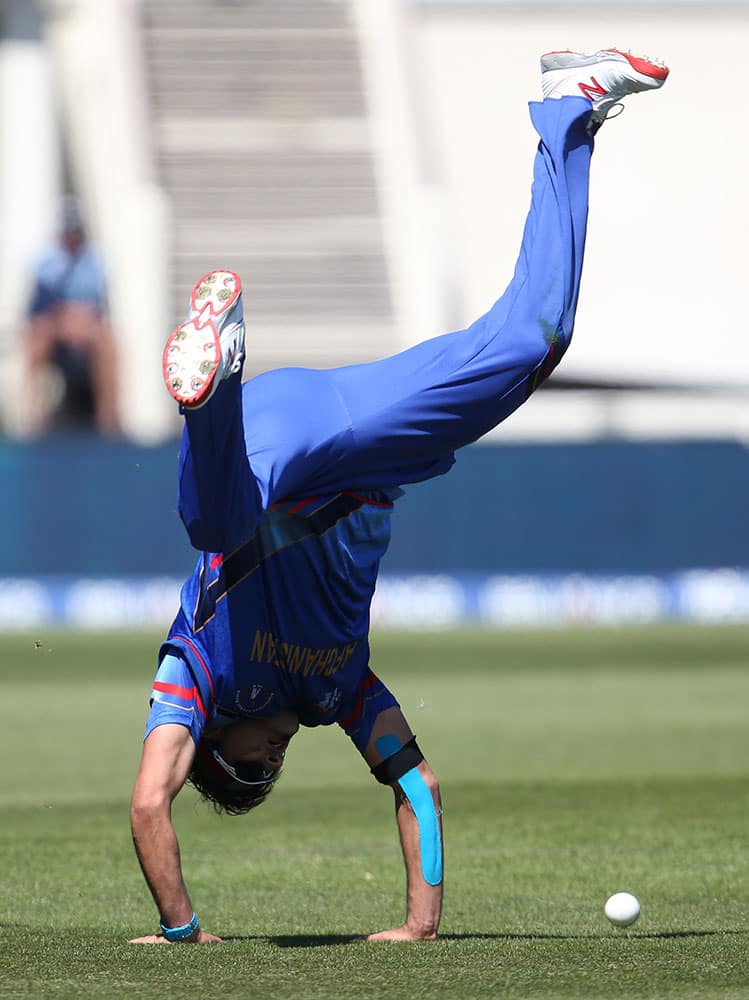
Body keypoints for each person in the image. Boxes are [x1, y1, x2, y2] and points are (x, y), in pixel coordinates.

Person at [129, 48, 669, 944]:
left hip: (271, 448)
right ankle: (565, 114)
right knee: (533, 343)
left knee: (217, 523)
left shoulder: (198, 672)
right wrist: (419, 927)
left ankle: (209, 382)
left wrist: (181, 928)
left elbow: (151, 801)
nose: (268, 767)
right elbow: (413, 782)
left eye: (247, 777)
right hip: (360, 434)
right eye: (267, 780)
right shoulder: (336, 691)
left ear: (215, 751)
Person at [23, 195, 119, 435]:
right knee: (37, 339)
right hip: (55, 329)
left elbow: (98, 309)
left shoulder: (95, 260)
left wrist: (78, 323)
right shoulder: (45, 261)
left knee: (107, 342)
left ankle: (108, 418)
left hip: (85, 329)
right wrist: (64, 322)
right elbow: (38, 310)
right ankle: (36, 417)